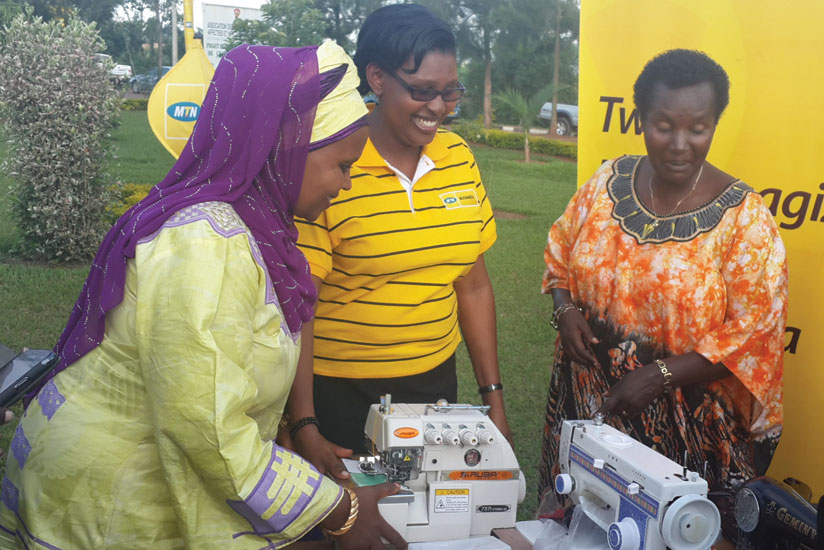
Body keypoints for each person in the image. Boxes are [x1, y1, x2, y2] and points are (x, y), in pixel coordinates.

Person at [0, 42, 407, 550]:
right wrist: (339, 509)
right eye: (343, 166)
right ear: (286, 145)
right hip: (105, 502)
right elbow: (206, 429)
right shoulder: (204, 246)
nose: (346, 185)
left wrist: (296, 426)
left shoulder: (256, 227)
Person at [537, 49, 787, 537]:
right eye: (663, 126)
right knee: (581, 529)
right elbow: (561, 251)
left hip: (686, 437)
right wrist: (564, 309)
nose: (679, 145)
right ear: (641, 119)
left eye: (697, 129)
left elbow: (753, 334)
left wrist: (660, 375)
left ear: (715, 123)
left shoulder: (745, 219)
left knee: (665, 538)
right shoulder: (606, 181)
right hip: (587, 405)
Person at [290, 4, 512, 473]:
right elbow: (300, 304)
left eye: (450, 91)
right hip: (341, 393)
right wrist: (304, 421)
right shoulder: (332, 166)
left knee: (422, 521)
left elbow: (471, 285)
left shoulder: (457, 157)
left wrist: (494, 398)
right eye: (423, 91)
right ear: (376, 78)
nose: (438, 107)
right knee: (350, 528)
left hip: (434, 388)